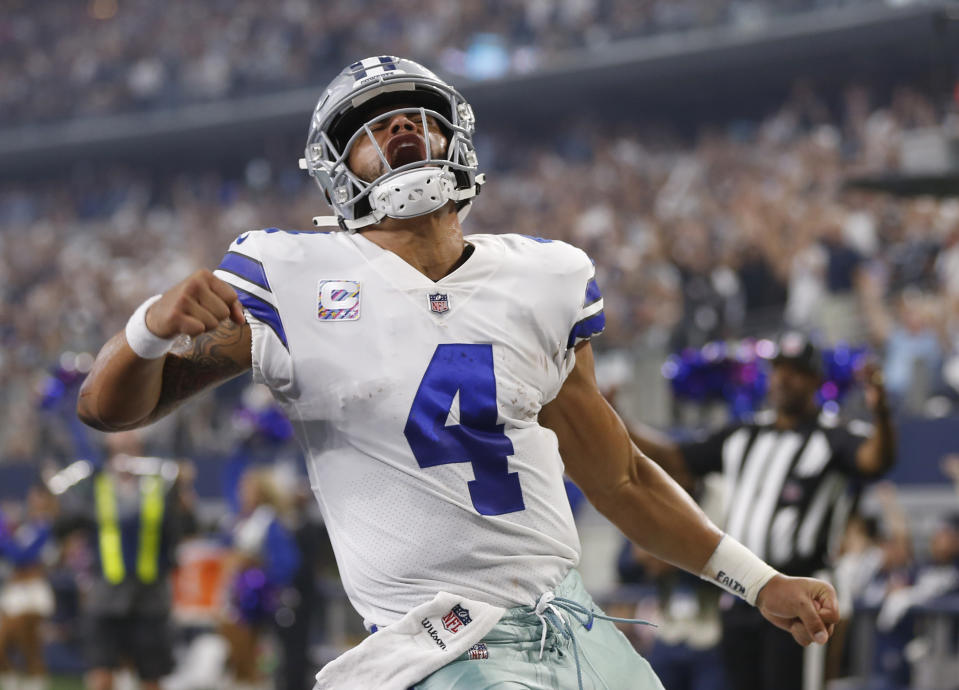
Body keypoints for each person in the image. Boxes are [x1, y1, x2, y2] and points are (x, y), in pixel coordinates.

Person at [78, 56, 841, 689]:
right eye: (371, 128)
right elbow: (107, 411)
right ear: (338, 172)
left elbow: (621, 480)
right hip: (435, 646)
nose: (401, 126)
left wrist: (758, 580)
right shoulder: (290, 276)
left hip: (571, 624)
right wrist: (147, 331)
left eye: (416, 114)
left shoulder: (542, 278)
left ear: (457, 139)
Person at [625, 332, 896, 690]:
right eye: (778, 369)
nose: (784, 379)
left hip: (803, 587)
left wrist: (881, 412)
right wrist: (620, 423)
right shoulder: (743, 435)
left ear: (815, 380)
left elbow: (876, 460)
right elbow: (676, 458)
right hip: (742, 588)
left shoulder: (833, 437)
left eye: (795, 371)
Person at [57, 433, 189, 690]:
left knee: (151, 678)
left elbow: (182, 530)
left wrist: (184, 496)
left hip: (150, 597)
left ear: (140, 448)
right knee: (101, 676)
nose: (124, 454)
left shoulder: (162, 484)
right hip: (106, 597)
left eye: (129, 445)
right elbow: (63, 526)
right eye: (117, 447)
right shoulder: (94, 484)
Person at [0, 485, 57, 690]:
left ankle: (35, 683)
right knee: (9, 645)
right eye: (32, 497)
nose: (34, 501)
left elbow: (21, 555)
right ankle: (13, 682)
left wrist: (3, 537)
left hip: (33, 591)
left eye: (39, 498)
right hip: (14, 590)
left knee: (29, 646)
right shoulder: (28, 526)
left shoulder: (46, 526)